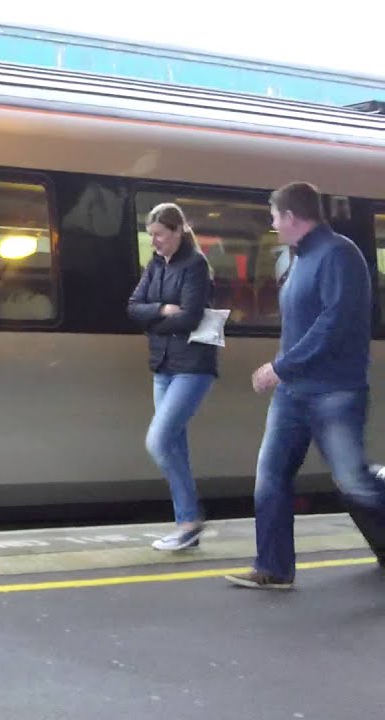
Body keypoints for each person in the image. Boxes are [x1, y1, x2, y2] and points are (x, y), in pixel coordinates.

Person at [226, 181, 385, 590]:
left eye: (275, 216)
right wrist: (287, 372)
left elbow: (333, 324)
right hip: (293, 393)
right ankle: (273, 568)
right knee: (271, 476)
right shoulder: (300, 259)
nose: (273, 224)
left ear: (292, 217)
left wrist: (281, 365)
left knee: (352, 481)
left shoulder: (339, 255)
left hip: (335, 391)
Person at [127, 202, 218, 551]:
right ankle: (187, 524)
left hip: (193, 366)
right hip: (163, 365)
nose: (154, 242)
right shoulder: (154, 265)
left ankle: (191, 519)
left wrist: (152, 320)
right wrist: (163, 310)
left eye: (159, 235)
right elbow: (132, 306)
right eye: (150, 236)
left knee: (159, 440)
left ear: (178, 232)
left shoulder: (196, 265)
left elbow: (192, 317)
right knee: (174, 443)